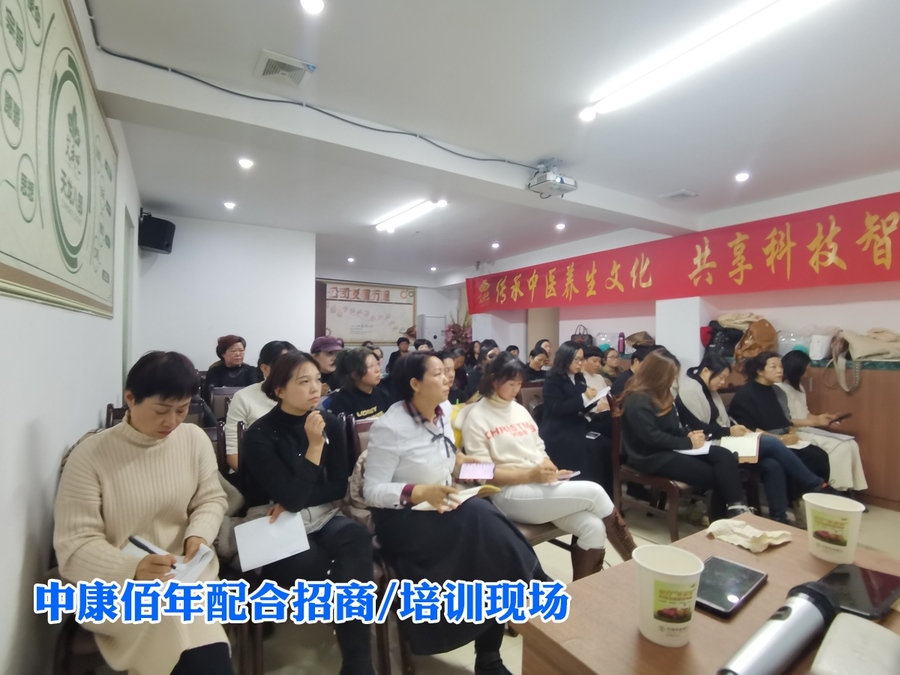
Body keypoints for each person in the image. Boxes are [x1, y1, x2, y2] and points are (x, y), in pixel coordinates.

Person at [363, 352, 544, 670]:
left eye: (447, 372)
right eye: (438, 373)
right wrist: (419, 491)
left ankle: (490, 654)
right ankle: (534, 582)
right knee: (482, 519)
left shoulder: (444, 410)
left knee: (488, 537)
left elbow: (458, 464)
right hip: (404, 518)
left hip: (444, 504)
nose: (448, 378)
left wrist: (507, 473)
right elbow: (372, 491)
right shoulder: (390, 427)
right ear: (415, 384)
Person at [54, 352, 232, 675]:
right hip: (116, 585)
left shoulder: (193, 440)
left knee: (195, 629)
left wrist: (198, 535)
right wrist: (132, 568)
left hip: (185, 572)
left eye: (182, 410)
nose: (172, 422)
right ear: (130, 399)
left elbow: (211, 499)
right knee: (175, 625)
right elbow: (76, 543)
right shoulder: (90, 457)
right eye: (161, 411)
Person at [241, 351, 375, 675]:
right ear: (279, 390)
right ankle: (269, 597)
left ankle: (358, 663)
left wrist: (295, 497)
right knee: (312, 563)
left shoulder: (330, 422)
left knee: (356, 537)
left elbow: (337, 486)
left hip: (323, 514)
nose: (316, 388)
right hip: (274, 521)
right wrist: (314, 447)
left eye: (317, 379)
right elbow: (289, 499)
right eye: (304, 382)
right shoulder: (260, 434)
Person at [456, 353, 636, 579]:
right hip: (508, 493)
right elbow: (479, 473)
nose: (515, 390)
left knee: (593, 526)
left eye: (519, 384)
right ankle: (636, 563)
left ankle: (583, 590)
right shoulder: (477, 416)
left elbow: (539, 448)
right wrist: (531, 475)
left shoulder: (518, 409)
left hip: (538, 486)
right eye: (511, 384)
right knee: (595, 492)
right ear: (493, 380)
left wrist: (551, 470)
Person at [675, 353, 832, 523]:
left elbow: (723, 421)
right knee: (771, 442)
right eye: (721, 377)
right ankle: (815, 483)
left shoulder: (709, 390)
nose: (723, 382)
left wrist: (733, 429)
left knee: (773, 464)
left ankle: (779, 517)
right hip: (707, 445)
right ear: (706, 371)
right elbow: (698, 429)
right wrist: (730, 431)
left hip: (723, 440)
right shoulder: (690, 392)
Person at [617, 349, 750, 521]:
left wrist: (689, 436)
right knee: (719, 475)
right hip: (650, 457)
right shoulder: (637, 399)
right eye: (671, 376)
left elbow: (672, 427)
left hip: (669, 449)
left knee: (724, 456)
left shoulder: (662, 394)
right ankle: (730, 516)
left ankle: (735, 507)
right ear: (657, 374)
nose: (674, 380)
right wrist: (688, 443)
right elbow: (651, 437)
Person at [728, 352, 832, 490]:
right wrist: (780, 439)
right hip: (763, 440)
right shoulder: (745, 394)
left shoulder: (778, 391)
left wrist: (792, 433)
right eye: (774, 367)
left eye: (781, 366)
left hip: (784, 437)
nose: (779, 370)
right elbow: (749, 429)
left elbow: (787, 420)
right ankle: (803, 495)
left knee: (819, 455)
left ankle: (818, 494)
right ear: (760, 371)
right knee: (808, 457)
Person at [778, 349, 868, 492]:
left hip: (807, 429)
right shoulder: (779, 389)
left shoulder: (798, 387)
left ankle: (850, 488)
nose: (807, 374)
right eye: (805, 371)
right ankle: (834, 488)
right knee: (840, 447)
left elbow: (805, 414)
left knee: (851, 444)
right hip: (794, 432)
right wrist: (816, 422)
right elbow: (786, 421)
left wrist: (824, 418)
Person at [539, 341, 613, 495]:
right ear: (566, 358)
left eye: (581, 359)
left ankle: (605, 493)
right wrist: (584, 398)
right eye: (576, 360)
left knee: (605, 444)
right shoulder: (553, 379)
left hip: (577, 424)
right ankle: (585, 493)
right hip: (558, 429)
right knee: (590, 448)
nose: (580, 363)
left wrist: (593, 401)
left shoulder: (579, 378)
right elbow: (557, 408)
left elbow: (581, 406)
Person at [224, 340, 295, 474]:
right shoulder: (243, 397)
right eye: (283, 366)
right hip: (253, 474)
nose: (290, 371)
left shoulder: (301, 396)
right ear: (265, 369)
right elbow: (233, 454)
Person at [326, 347, 394, 420]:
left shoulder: (383, 395)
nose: (378, 369)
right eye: (371, 366)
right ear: (354, 374)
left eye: (377, 364)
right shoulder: (342, 402)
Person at [204, 334, 261, 401]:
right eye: (233, 351)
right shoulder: (214, 371)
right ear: (223, 354)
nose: (238, 354)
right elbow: (208, 397)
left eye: (241, 350)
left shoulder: (250, 371)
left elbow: (254, 396)